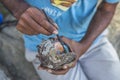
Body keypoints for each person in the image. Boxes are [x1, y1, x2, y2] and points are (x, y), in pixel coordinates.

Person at [1, 0, 120, 80]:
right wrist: (19, 9)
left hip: (92, 40)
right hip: (41, 44)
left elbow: (107, 9)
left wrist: (83, 46)